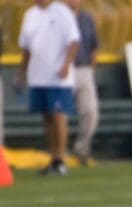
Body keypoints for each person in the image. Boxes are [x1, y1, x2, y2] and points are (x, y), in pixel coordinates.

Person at [16, 0, 80, 175]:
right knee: (46, 116)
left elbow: (74, 41)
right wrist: (21, 72)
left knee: (58, 115)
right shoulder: (30, 15)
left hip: (57, 76)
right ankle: (53, 158)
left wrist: (66, 64)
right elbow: (26, 48)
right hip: (38, 76)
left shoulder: (61, 12)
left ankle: (60, 159)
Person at [66, 0, 99, 165]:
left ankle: (81, 147)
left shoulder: (87, 19)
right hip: (64, 70)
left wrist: (91, 70)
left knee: (90, 111)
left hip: (83, 68)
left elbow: (94, 46)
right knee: (59, 113)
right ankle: (59, 153)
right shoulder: (60, 19)